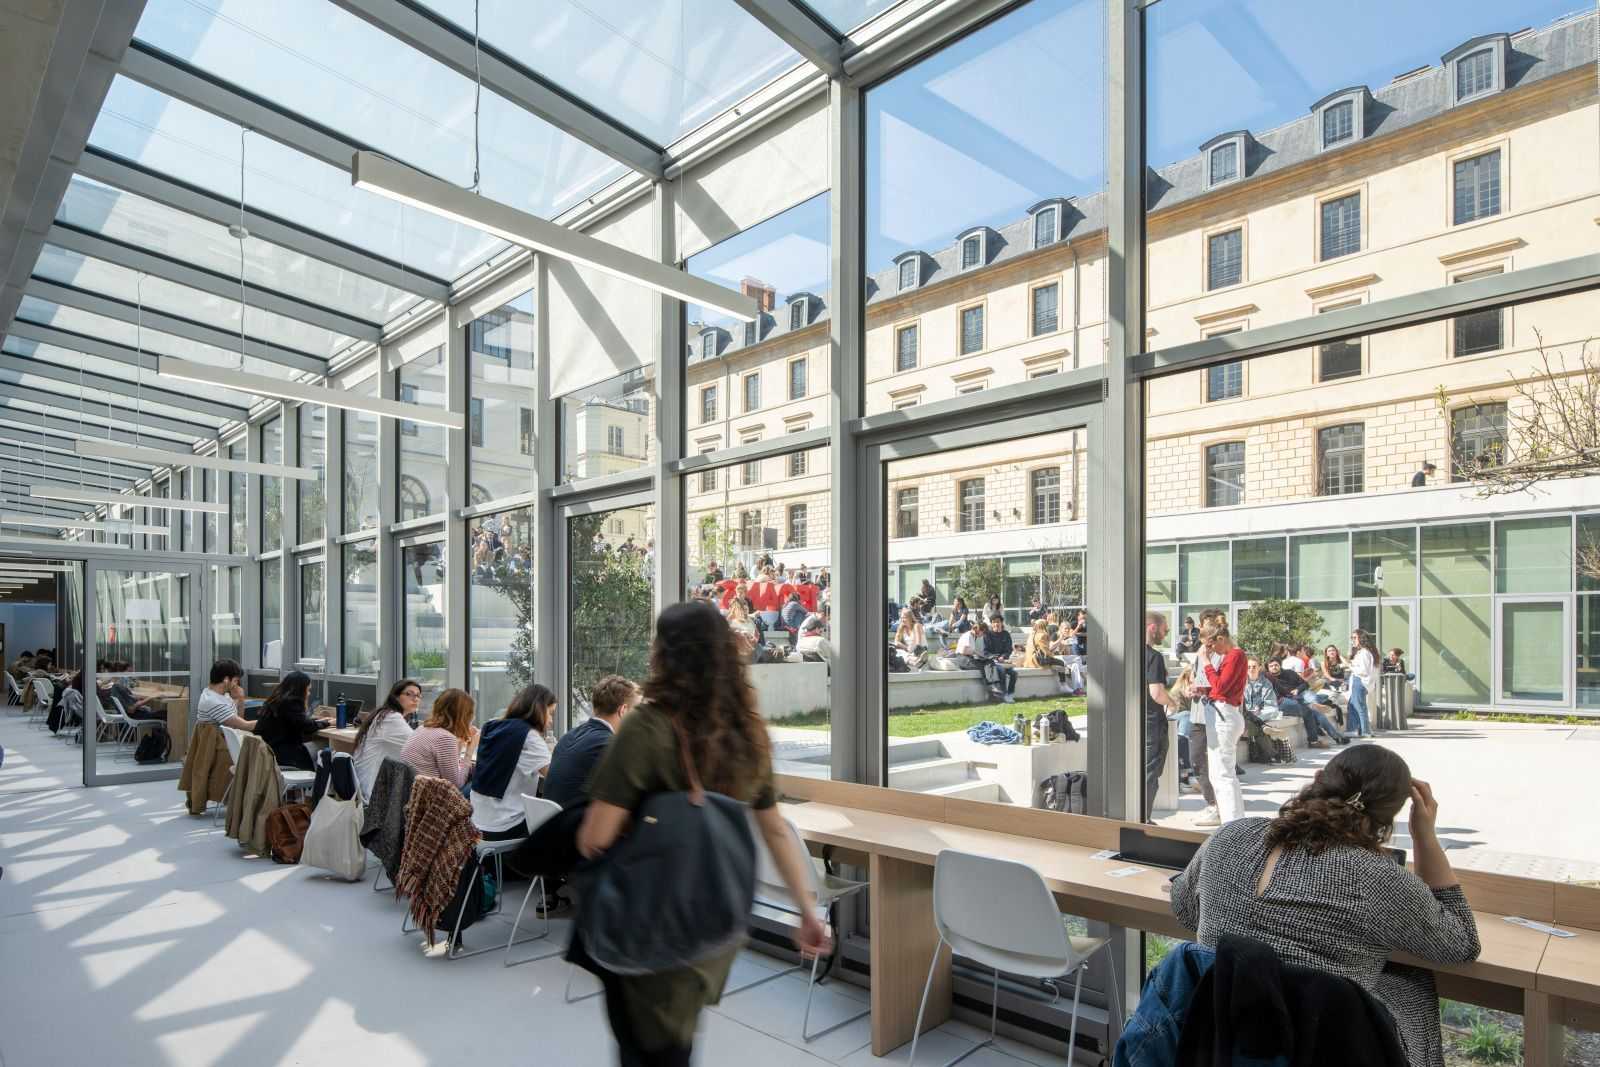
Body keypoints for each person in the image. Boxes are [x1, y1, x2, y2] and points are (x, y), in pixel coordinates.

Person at [575, 601, 829, 1066]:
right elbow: (773, 830)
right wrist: (807, 910)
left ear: (664, 655)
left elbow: (595, 837)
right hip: (714, 924)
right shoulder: (748, 734)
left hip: (647, 919)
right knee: (677, 1041)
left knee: (649, 1047)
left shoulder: (645, 728)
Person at [1170, 746, 1479, 1067]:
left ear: (1318, 779)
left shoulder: (1231, 836)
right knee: (1408, 983)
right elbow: (1461, 946)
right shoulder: (1379, 879)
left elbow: (1184, 908)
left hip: (1216, 1043)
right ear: (1390, 817)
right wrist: (1425, 837)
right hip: (1319, 1051)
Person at [470, 684, 555, 838]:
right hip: (504, 825)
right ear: (539, 709)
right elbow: (555, 777)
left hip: (476, 822)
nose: (551, 721)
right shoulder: (529, 736)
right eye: (550, 713)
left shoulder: (491, 726)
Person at [545, 675, 640, 810]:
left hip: (553, 823)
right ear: (623, 710)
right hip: (575, 826)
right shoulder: (608, 745)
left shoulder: (569, 736)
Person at [1200, 622, 1247, 824]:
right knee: (1221, 774)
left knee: (1222, 775)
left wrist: (1205, 661)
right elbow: (1220, 687)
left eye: (1210, 646)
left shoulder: (1234, 655)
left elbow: (1221, 685)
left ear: (1220, 639)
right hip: (1224, 713)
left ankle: (1231, 824)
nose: (1211, 651)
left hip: (1224, 715)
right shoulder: (1231, 657)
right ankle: (1234, 821)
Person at [351, 678, 420, 801]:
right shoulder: (392, 718)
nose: (415, 699)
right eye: (409, 694)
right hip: (371, 792)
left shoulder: (383, 714)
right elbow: (418, 745)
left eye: (418, 696)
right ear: (396, 697)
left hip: (364, 785)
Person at [253, 671, 331, 772]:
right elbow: (306, 727)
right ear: (300, 690)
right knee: (328, 748)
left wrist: (318, 721)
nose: (309, 694)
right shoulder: (291, 702)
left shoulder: (276, 700)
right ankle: (322, 783)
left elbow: (298, 721)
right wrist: (327, 723)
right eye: (308, 690)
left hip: (269, 752)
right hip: (283, 755)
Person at [400, 688, 479, 788]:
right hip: (430, 798)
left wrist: (460, 742)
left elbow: (450, 770)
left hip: (414, 792)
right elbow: (456, 784)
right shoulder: (445, 738)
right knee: (480, 784)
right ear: (464, 715)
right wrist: (470, 749)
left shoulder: (423, 727)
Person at [1143, 613, 1179, 818]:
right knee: (1150, 772)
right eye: (1165, 628)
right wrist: (1172, 702)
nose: (1166, 633)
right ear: (1152, 627)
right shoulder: (1153, 656)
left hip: (1133, 721)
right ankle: (1144, 819)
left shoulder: (1128, 652)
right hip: (1151, 723)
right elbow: (1156, 693)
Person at [1267, 657, 1349, 748]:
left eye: (1276, 665)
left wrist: (1297, 689)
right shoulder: (1269, 679)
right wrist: (1292, 694)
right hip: (1287, 702)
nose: (1274, 667)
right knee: (1312, 710)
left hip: (1299, 696)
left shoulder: (1289, 673)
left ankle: (1335, 736)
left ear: (1280, 665)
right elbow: (1277, 695)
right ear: (1268, 668)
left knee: (1312, 703)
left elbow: (1305, 684)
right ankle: (1329, 735)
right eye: (1271, 666)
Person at [195, 659, 255, 733]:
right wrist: (269, 722)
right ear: (226, 680)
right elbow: (243, 726)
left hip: (224, 740)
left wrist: (240, 698)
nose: (236, 684)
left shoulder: (215, 693)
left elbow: (237, 720)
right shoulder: (212, 701)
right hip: (218, 743)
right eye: (235, 680)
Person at [1347, 630, 1380, 739]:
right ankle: (1356, 729)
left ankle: (1365, 731)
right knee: (1352, 705)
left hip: (1360, 681)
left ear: (1361, 638)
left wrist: (1350, 666)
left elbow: (1364, 670)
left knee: (1359, 706)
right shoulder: (1362, 652)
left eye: (1355, 638)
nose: (1353, 640)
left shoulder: (1365, 652)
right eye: (1352, 638)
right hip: (1359, 681)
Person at [981, 614, 1019, 703]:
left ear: (1002, 623)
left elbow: (1008, 650)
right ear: (991, 624)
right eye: (994, 622)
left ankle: (1010, 694)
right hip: (992, 661)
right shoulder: (987, 635)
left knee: (1014, 673)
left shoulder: (1006, 634)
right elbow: (985, 652)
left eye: (998, 622)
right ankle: (1004, 695)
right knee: (1001, 671)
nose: (996, 624)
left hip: (1003, 661)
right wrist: (996, 657)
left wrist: (1003, 657)